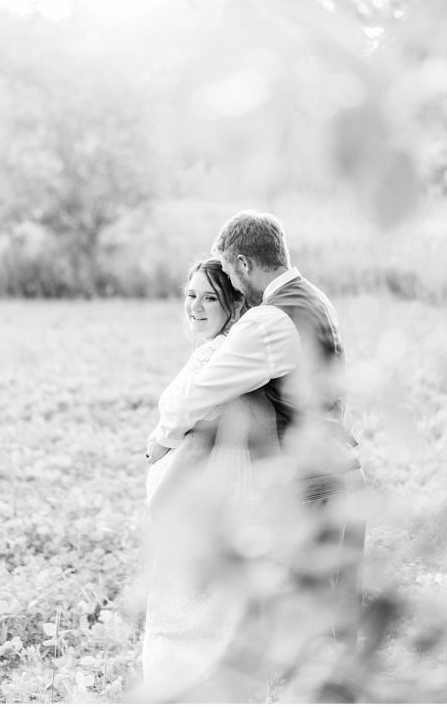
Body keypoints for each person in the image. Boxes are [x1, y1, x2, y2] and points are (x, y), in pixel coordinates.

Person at [147, 211, 366, 650]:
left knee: (307, 633)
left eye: (228, 270)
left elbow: (195, 397)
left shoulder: (268, 322)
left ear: (243, 263)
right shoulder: (316, 300)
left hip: (309, 489)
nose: (230, 279)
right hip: (346, 476)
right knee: (339, 624)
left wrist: (160, 441)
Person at [141, 258, 280, 700]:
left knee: (187, 611)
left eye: (210, 298)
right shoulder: (227, 352)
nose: (195, 307)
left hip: (204, 497)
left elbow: (198, 429)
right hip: (217, 494)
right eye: (191, 294)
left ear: (234, 304)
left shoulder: (216, 357)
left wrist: (161, 496)